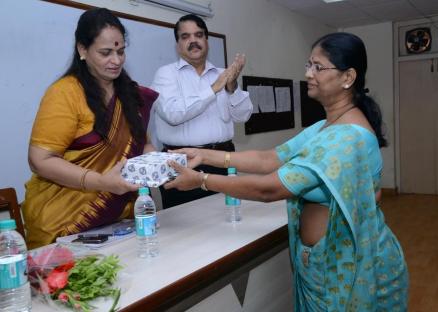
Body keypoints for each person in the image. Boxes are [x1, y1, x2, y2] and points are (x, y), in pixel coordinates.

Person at [165, 32, 408, 311]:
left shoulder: (347, 137)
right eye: (308, 65)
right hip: (325, 267)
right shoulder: (325, 127)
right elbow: (270, 158)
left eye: (318, 67)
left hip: (348, 270)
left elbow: (270, 188)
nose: (308, 74)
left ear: (347, 77)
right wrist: (203, 154)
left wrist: (202, 180)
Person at [22, 8, 159, 249]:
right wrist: (102, 182)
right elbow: (40, 160)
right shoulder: (65, 93)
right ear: (82, 50)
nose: (116, 60)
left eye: (121, 51)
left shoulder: (129, 93)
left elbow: (141, 141)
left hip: (117, 220)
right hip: (64, 221)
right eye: (106, 53)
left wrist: (153, 162)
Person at [149, 14, 253, 209]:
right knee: (186, 226)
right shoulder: (165, 74)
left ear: (206, 40)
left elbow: (243, 115)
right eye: (185, 37)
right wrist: (214, 88)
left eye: (198, 35)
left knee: (229, 216)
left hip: (222, 159)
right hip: (181, 163)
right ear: (177, 44)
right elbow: (173, 114)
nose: (193, 41)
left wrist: (231, 87)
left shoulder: (223, 74)